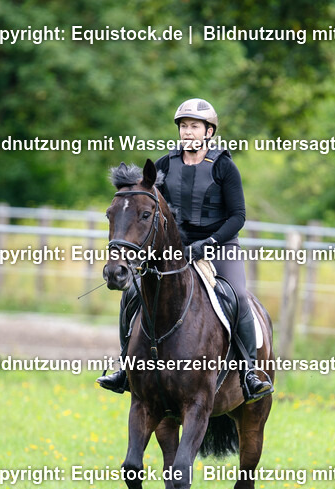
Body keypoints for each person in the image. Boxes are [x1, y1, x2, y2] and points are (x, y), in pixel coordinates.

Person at [97, 98, 273, 403]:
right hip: (175, 249)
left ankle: (250, 373)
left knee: (240, 298)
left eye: (194, 126)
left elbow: (238, 217)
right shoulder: (166, 164)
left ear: (208, 132)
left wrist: (209, 243)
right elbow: (152, 211)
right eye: (183, 126)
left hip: (220, 246)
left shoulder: (223, 167)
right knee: (131, 295)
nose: (187, 132)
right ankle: (125, 367)